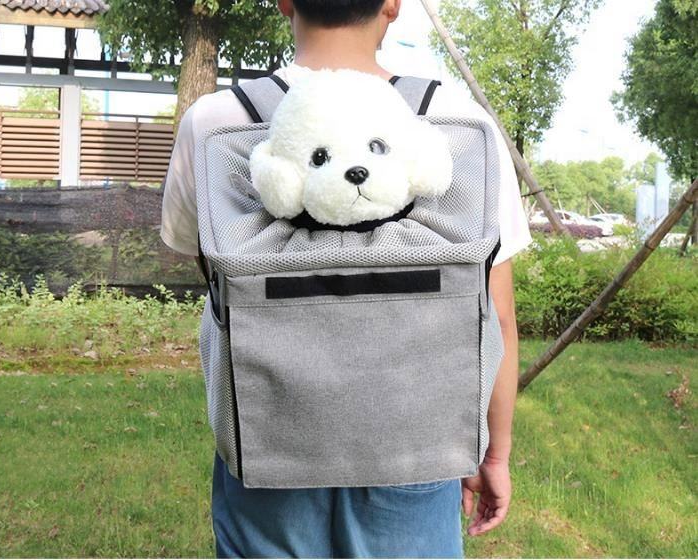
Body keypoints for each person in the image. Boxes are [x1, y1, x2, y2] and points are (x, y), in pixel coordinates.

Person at [160, 0, 533, 557]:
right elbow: (496, 313)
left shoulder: (216, 122)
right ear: (393, 5)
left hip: (268, 442)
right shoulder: (458, 123)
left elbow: (215, 280)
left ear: (285, 2)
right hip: (418, 441)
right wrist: (494, 454)